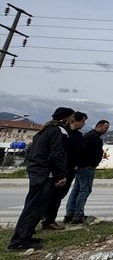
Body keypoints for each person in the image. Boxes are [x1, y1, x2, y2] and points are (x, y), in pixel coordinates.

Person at [6, 107, 74, 252]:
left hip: (36, 171)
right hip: (45, 173)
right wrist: (60, 175)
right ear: (65, 118)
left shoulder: (44, 130)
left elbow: (31, 151)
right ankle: (19, 241)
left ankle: (26, 236)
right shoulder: (59, 131)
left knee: (34, 205)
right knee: (35, 206)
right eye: (71, 117)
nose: (72, 120)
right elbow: (57, 155)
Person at [42, 111, 87, 230]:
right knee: (51, 195)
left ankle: (49, 219)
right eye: (82, 121)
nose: (83, 124)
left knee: (59, 196)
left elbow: (79, 152)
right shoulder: (62, 132)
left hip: (71, 169)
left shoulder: (79, 135)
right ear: (74, 120)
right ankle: (46, 219)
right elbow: (57, 153)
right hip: (60, 169)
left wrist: (76, 165)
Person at [64, 119, 109, 224]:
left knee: (76, 190)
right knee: (84, 190)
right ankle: (78, 215)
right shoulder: (93, 137)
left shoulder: (89, 136)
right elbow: (85, 152)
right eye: (105, 128)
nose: (106, 130)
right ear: (99, 126)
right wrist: (93, 162)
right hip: (87, 167)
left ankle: (69, 214)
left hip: (81, 166)